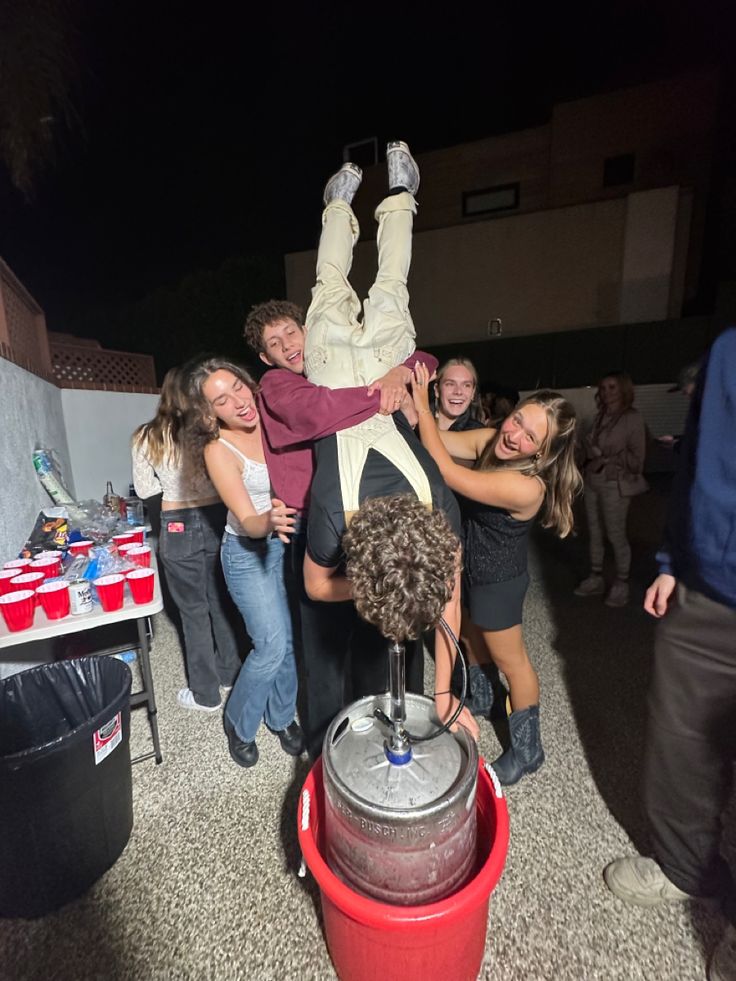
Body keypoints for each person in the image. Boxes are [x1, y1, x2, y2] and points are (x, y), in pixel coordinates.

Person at [298, 143, 476, 755]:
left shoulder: (343, 508)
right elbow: (447, 590)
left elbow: (322, 586)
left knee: (356, 284)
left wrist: (380, 590)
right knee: (366, 284)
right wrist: (447, 691)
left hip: (345, 380)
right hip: (372, 374)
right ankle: (369, 201)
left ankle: (370, 202)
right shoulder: (419, 509)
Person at [603, 328, 736, 981]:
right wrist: (670, 560)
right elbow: (698, 465)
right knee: (681, 741)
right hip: (707, 585)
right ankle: (687, 865)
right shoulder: (727, 349)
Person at [412, 361, 581, 785]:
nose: (514, 434)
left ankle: (528, 750)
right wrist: (419, 413)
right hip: (471, 568)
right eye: (517, 419)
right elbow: (442, 440)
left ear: (541, 453)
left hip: (500, 582)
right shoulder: (491, 439)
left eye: (530, 437)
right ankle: (483, 698)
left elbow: (445, 468)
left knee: (513, 662)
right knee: (469, 636)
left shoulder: (527, 486)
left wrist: (421, 399)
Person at [185, 356, 304, 769]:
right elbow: (249, 520)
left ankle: (282, 715)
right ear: (210, 413)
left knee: (288, 643)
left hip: (285, 544)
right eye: (221, 400)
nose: (237, 401)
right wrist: (267, 519)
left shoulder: (273, 425)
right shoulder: (218, 449)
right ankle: (238, 721)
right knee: (269, 646)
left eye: (237, 386)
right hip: (247, 553)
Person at [131, 366, 242, 712]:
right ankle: (230, 675)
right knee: (221, 602)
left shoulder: (146, 435)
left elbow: (146, 488)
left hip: (176, 521)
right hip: (216, 517)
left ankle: (205, 695)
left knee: (193, 612)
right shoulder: (210, 429)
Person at [574, 370, 648, 607]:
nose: (606, 393)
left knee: (616, 533)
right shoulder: (600, 416)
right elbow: (590, 450)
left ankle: (621, 582)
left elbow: (638, 461)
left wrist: (604, 456)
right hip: (593, 480)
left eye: (612, 387)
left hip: (615, 483)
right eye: (603, 388)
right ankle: (596, 577)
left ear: (624, 389)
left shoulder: (632, 418)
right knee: (594, 532)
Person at [433, 358, 485, 432]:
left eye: (466, 385)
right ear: (437, 390)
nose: (458, 392)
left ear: (473, 393)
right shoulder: (415, 425)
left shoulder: (480, 432)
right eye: (450, 384)